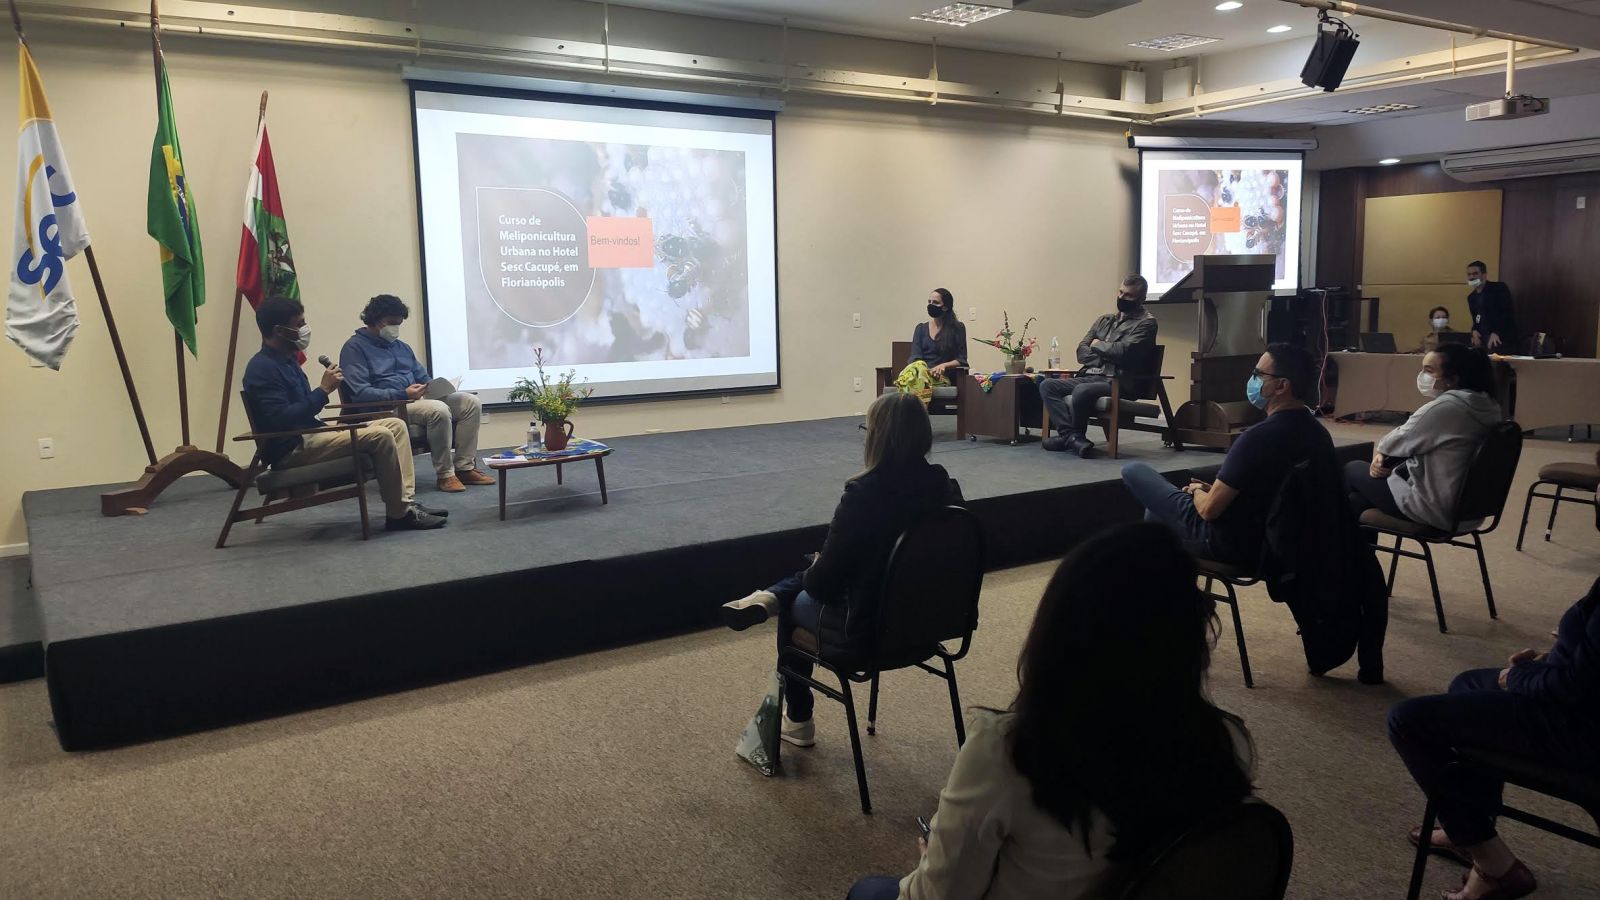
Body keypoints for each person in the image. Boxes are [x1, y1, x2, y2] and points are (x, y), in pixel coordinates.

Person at [848, 523, 1254, 900]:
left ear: (1059, 633)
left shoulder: (1009, 752)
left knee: (869, 891)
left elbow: (937, 897)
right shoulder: (1228, 744)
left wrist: (929, 859)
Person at [720, 392, 962, 746]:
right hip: (932, 623)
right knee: (815, 572)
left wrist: (820, 566)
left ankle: (798, 717)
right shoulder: (945, 487)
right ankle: (768, 596)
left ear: (877, 436)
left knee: (797, 596)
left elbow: (822, 586)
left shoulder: (863, 495)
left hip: (867, 629)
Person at [1389, 577, 1600, 900]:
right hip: (1581, 708)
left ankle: (1495, 867)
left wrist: (1520, 676)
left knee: (1407, 722)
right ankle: (1470, 828)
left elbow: (1572, 688)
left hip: (1582, 731)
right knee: (1467, 684)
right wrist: (1553, 658)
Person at [243, 295, 446, 531]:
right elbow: (283, 419)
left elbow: (301, 412)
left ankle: (405, 504)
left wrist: (325, 410)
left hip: (313, 434)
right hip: (293, 448)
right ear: (279, 331)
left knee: (394, 425)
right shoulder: (262, 369)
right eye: (299, 324)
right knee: (381, 435)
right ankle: (399, 515)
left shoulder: (287, 361)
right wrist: (323, 391)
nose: (305, 329)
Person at [1120, 343, 1332, 563]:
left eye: (1258, 374)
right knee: (1155, 514)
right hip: (1278, 544)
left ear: (1281, 386)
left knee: (1134, 470)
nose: (1252, 380)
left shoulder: (1257, 438)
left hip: (1226, 541)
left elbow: (1208, 510)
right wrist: (1214, 492)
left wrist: (1197, 492)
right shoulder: (1319, 434)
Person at [338, 294, 494, 493]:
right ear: (375, 320)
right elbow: (361, 393)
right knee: (438, 409)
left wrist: (434, 386)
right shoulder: (354, 348)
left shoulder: (402, 347)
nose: (395, 328)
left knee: (471, 402)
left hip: (413, 402)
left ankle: (464, 468)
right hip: (385, 409)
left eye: (399, 323)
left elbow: (422, 377)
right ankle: (445, 475)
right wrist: (402, 394)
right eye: (391, 323)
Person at [1344, 344, 1502, 530]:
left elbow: (1393, 443)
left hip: (1434, 509)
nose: (1422, 376)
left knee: (1352, 468)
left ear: (1452, 379)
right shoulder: (1489, 406)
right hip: (1467, 512)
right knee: (1356, 502)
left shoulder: (1445, 408)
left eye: (1429, 371)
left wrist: (1382, 453)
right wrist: (1386, 453)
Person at [1040, 275, 1158, 458]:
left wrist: (1097, 345)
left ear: (1141, 299)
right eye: (1120, 292)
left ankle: (1070, 438)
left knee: (1081, 390)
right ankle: (1072, 437)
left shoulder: (1147, 323)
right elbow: (1081, 352)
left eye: (1128, 295)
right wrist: (1106, 355)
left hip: (1119, 381)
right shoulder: (1104, 320)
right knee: (1047, 385)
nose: (1122, 297)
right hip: (1090, 376)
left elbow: (1124, 352)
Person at [892, 288, 968, 405]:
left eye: (935, 303)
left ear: (945, 307)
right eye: (929, 302)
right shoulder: (921, 329)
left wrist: (943, 366)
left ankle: (914, 411)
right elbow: (915, 358)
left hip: (941, 377)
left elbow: (962, 359)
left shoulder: (957, 328)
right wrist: (925, 371)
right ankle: (919, 409)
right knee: (918, 368)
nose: (931, 305)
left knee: (911, 380)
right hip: (922, 373)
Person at [1466, 261, 1517, 353]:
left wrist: (1497, 332)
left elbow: (1507, 313)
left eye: (1475, 273)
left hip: (1501, 337)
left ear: (1484, 275)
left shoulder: (1499, 288)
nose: (1471, 277)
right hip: (1483, 339)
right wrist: (1474, 330)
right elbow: (1476, 319)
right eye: (1469, 274)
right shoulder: (1471, 297)